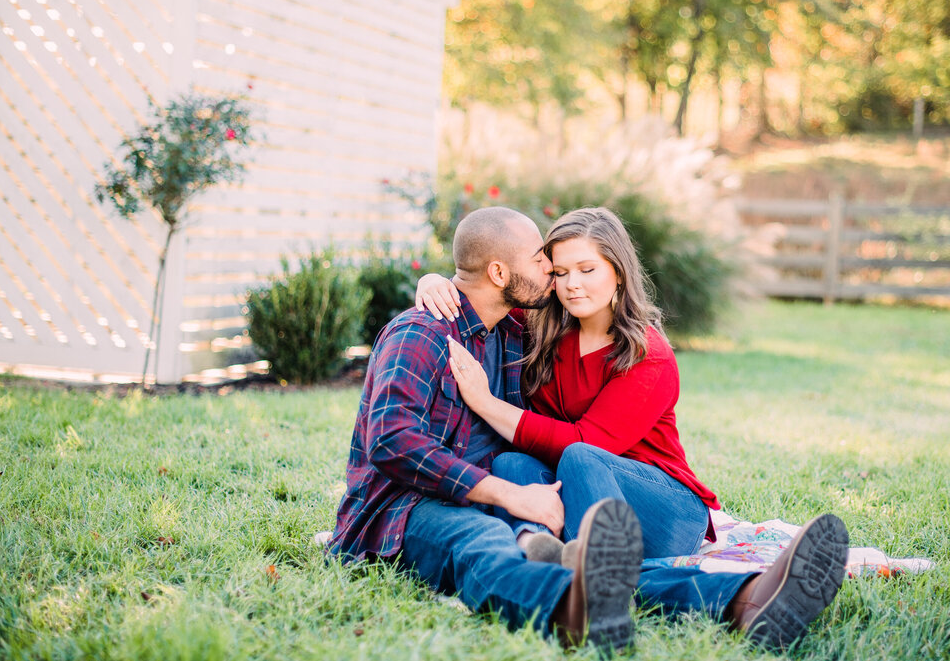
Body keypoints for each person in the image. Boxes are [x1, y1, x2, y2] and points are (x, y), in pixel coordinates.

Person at [414, 206, 851, 649]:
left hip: (664, 510)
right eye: (560, 271)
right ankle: (564, 568)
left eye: (587, 269)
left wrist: (487, 404)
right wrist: (438, 282)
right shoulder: (542, 328)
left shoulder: (647, 354)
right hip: (585, 504)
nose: (572, 284)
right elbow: (485, 290)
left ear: (619, 273)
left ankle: (580, 569)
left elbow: (587, 443)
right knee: (510, 462)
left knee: (580, 454)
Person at [329, 206, 644, 650]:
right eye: (539, 259)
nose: (551, 270)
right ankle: (572, 608)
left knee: (563, 542)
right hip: (403, 509)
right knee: (483, 539)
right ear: (499, 272)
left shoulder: (512, 331)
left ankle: (738, 594)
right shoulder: (420, 335)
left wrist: (439, 277)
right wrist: (508, 494)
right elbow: (392, 442)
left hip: (487, 494)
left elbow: (589, 296)